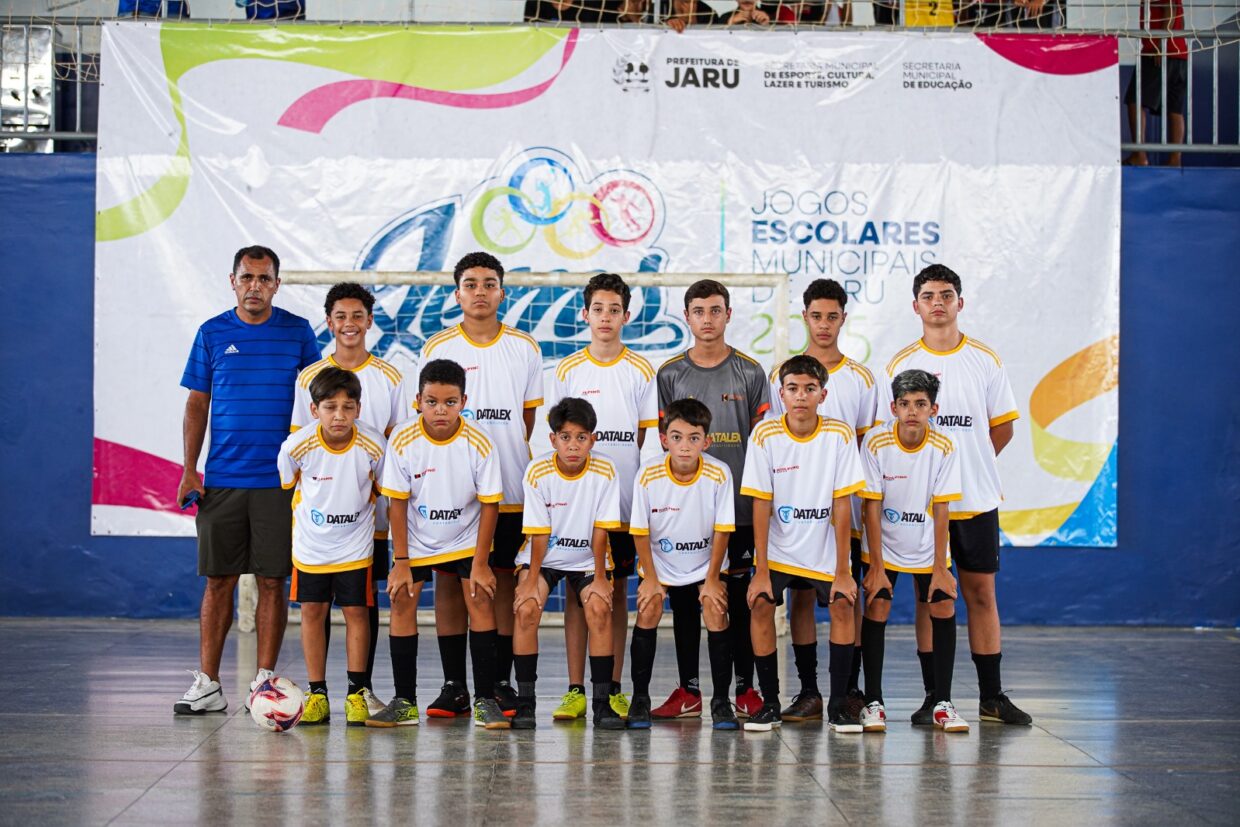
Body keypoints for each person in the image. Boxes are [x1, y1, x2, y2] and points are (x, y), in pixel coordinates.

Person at [881, 263, 1031, 725]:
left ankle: (992, 696)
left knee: (981, 594)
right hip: (922, 509)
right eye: (929, 296)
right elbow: (895, 437)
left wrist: (968, 468)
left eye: (946, 295)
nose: (938, 303)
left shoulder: (985, 359)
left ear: (959, 303)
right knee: (931, 598)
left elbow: (1001, 429)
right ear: (916, 306)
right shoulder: (901, 364)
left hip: (975, 501)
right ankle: (935, 697)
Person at [174, 245, 320, 715]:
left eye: (264, 278)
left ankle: (264, 680)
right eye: (247, 277)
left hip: (279, 484)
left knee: (273, 581)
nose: (255, 286)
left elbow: (317, 403)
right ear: (232, 281)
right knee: (219, 581)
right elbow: (197, 403)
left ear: (277, 284)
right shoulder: (212, 333)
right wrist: (189, 468)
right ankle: (209, 684)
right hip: (223, 480)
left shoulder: (298, 333)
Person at [398, 252, 543, 718]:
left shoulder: (524, 346)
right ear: (457, 293)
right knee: (449, 584)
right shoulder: (439, 345)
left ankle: (495, 683)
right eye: (471, 284)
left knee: (496, 581)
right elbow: (427, 417)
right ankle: (453, 685)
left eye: (489, 283)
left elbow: (526, 419)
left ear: (502, 291)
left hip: (508, 490)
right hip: (449, 492)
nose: (480, 291)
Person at [369, 359, 510, 729]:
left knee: (479, 598)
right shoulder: (403, 438)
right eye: (431, 402)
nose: (440, 410)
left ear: (464, 401)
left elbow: (490, 504)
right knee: (401, 599)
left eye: (450, 402)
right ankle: (404, 701)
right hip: (416, 541)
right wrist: (401, 560)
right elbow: (397, 502)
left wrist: (481, 562)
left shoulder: (479, 441)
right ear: (418, 401)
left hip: (465, 538)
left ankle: (484, 700)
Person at [766, 279, 878, 723]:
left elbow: (867, 450)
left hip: (843, 513)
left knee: (846, 597)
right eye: (817, 316)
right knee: (799, 600)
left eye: (833, 316)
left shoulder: (861, 378)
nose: (824, 324)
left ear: (843, 319)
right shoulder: (784, 375)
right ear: (805, 317)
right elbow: (780, 443)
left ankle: (847, 691)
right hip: (795, 517)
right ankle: (809, 690)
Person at [547, 273, 658, 721]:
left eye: (614, 310)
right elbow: (553, 439)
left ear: (626, 316)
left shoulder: (641, 370)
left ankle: (611, 688)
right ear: (585, 314)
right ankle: (575, 689)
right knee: (579, 596)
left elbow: (649, 442)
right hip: (577, 507)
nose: (606, 317)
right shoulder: (567, 370)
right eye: (598, 309)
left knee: (614, 595)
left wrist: (640, 503)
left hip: (623, 508)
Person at [656, 279, 770, 719]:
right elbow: (665, 443)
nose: (707, 319)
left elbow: (763, 445)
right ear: (687, 316)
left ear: (728, 314)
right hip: (686, 511)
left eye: (715, 310)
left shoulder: (751, 372)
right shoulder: (670, 374)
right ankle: (688, 690)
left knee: (738, 601)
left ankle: (744, 689)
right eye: (699, 311)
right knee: (686, 602)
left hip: (738, 510)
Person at [292, 283, 402, 721]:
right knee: (315, 605)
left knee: (362, 602)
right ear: (329, 321)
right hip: (320, 522)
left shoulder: (390, 377)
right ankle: (317, 691)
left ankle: (361, 690)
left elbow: (397, 447)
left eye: (358, 315)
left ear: (370, 320)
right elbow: (300, 445)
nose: (349, 324)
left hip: (368, 516)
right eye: (341, 316)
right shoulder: (309, 378)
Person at [740, 355, 866, 733]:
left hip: (823, 550)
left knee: (843, 603)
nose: (800, 396)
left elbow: (842, 504)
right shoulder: (764, 435)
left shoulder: (839, 435)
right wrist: (761, 570)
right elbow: (761, 503)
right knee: (761, 603)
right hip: (779, 549)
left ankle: (839, 704)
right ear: (781, 394)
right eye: (792, 388)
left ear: (822, 395)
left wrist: (843, 571)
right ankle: (771, 703)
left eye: (809, 389)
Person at [858, 369, 968, 733]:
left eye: (920, 404)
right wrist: (876, 566)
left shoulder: (945, 444)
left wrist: (940, 567)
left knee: (943, 604)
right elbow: (871, 505)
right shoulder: (875, 442)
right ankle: (873, 702)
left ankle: (942, 702)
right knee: (877, 605)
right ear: (893, 407)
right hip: (883, 546)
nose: (912, 411)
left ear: (933, 409)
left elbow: (942, 507)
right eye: (904, 404)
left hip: (926, 545)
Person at [278, 368, 385, 726]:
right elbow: (290, 486)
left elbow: (383, 489)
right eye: (330, 407)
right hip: (312, 547)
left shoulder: (374, 445)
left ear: (358, 408)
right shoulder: (296, 446)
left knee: (356, 613)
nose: (339, 415)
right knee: (312, 613)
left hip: (355, 547)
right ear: (314, 410)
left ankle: (356, 693)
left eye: (347, 407)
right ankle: (317, 693)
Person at [511, 398, 625, 731]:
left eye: (581, 437)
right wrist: (530, 581)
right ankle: (525, 704)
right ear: (553, 440)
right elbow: (538, 533)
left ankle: (602, 705)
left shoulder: (605, 470)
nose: (573, 445)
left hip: (588, 559)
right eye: (565, 437)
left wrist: (601, 577)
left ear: (593, 439)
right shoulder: (538, 471)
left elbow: (601, 530)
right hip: (543, 558)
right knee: (526, 608)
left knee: (600, 608)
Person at [626, 399, 738, 731]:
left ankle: (721, 701)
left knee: (715, 608)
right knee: (648, 606)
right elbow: (640, 531)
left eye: (693, 438)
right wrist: (651, 578)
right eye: (676, 437)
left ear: (707, 441)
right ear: (664, 440)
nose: (684, 446)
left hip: (706, 564)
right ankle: (640, 699)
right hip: (661, 564)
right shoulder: (648, 474)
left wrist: (713, 579)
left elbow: (723, 530)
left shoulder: (719, 473)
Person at [1124, 0, 1188, 167]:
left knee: (1134, 100)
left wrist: (1161, 45)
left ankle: (1139, 155)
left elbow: (1170, 9)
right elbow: (1178, 15)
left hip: (1158, 52)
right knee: (1174, 109)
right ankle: (1175, 160)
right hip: (1180, 53)